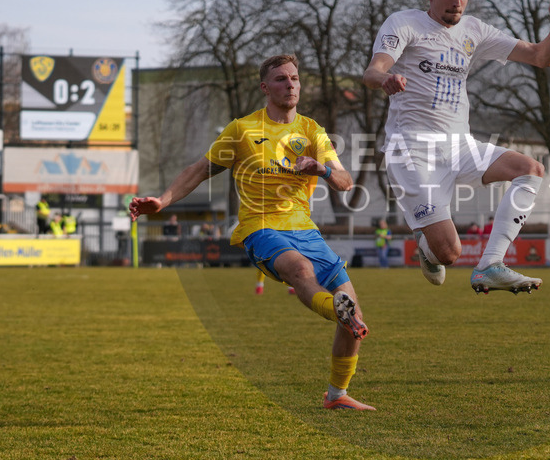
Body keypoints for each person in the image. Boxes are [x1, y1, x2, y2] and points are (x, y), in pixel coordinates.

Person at [129, 54, 373, 410]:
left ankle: (336, 395)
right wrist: (163, 201)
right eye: (280, 80)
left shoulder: (312, 131)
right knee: (300, 271)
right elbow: (200, 169)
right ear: (265, 88)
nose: (289, 84)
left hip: (305, 228)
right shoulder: (242, 130)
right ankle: (338, 309)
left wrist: (320, 168)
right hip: (260, 228)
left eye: (294, 79)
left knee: (357, 321)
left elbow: (345, 182)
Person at [362, 0, 550, 294]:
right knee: (449, 253)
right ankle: (428, 243)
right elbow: (373, 70)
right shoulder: (404, 23)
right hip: (413, 150)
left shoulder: (475, 30)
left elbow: (540, 57)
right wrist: (385, 77)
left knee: (531, 169)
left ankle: (490, 265)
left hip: (460, 145)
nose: (457, 1)